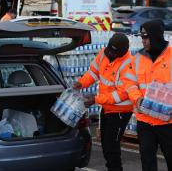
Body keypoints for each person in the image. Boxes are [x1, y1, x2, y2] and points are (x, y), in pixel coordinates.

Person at [73, 33, 135, 171]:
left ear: (122, 53)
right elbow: (93, 73)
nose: (110, 54)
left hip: (120, 111)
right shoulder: (104, 53)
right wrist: (81, 83)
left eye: (113, 52)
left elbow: (121, 94)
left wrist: (96, 99)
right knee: (106, 146)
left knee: (111, 147)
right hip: (106, 108)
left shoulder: (129, 65)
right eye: (109, 50)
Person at [125, 19, 172, 171]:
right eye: (141, 37)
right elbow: (129, 82)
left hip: (167, 121)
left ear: (156, 36)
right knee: (147, 162)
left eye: (146, 37)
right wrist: (136, 99)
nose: (143, 41)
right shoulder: (138, 58)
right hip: (145, 120)